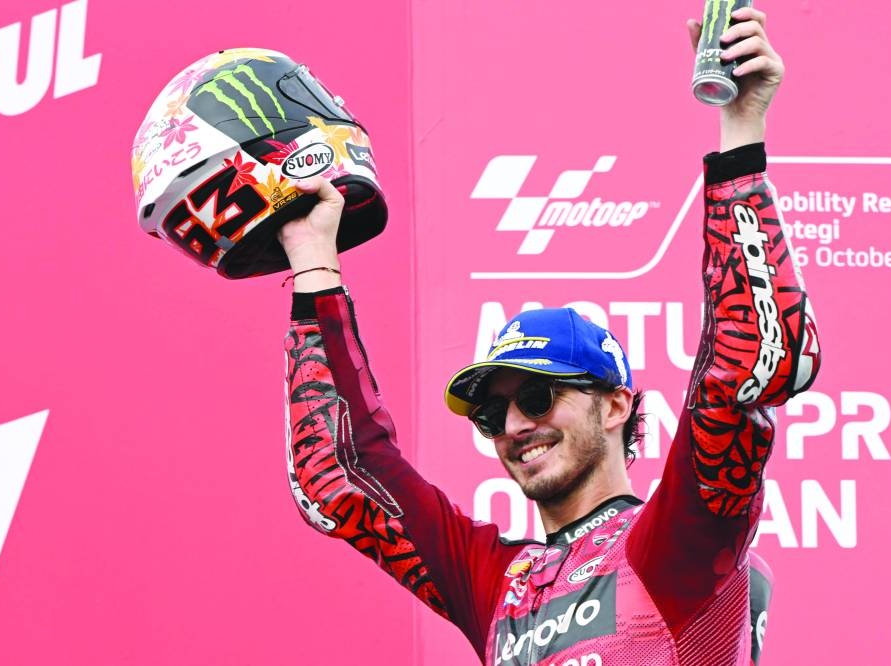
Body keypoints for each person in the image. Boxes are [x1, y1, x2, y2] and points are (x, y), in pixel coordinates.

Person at [278, 7, 819, 665]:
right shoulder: (497, 585)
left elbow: (746, 368)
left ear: (615, 405)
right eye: (490, 414)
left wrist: (741, 133)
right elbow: (343, 474)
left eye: (537, 397)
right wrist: (313, 256)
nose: (513, 425)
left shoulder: (677, 542)